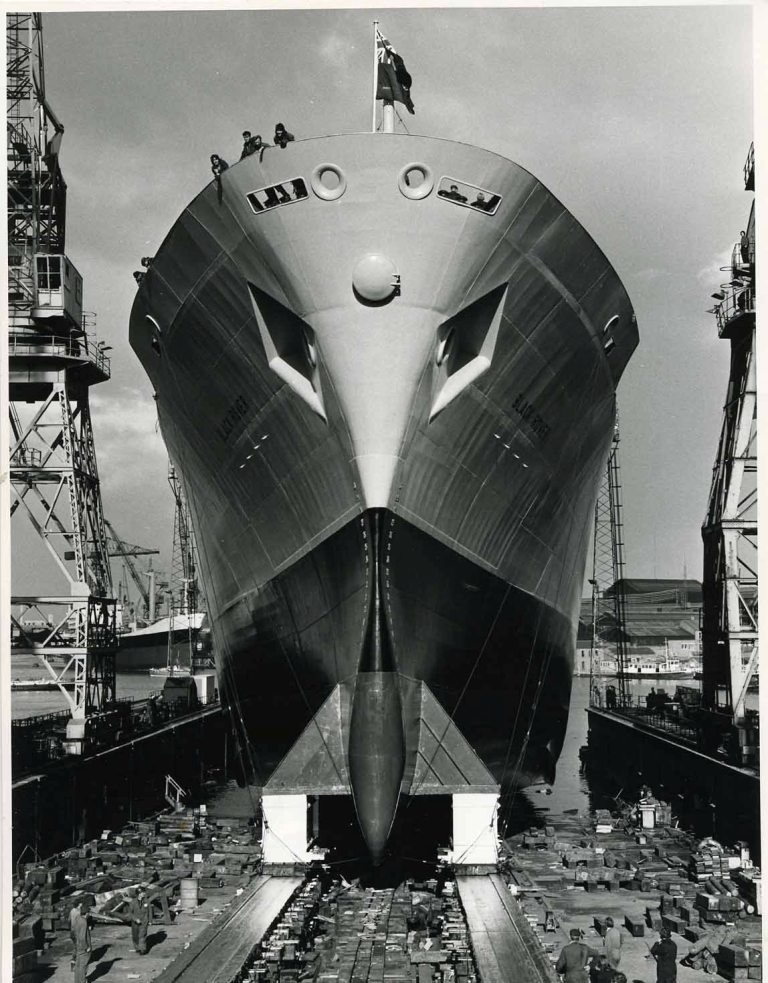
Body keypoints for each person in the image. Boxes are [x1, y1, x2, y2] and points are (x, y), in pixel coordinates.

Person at [71, 900, 92, 983]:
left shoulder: (78, 918)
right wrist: (86, 947)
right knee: (83, 966)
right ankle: (82, 981)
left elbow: (76, 933)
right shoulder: (84, 922)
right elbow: (82, 937)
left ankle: (77, 981)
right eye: (89, 912)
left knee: (78, 965)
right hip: (83, 947)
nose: (89, 914)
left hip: (78, 945)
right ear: (86, 913)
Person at [129, 889, 151, 954]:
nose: (144, 893)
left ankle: (143, 949)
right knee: (135, 936)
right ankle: (137, 948)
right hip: (135, 922)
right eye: (142, 892)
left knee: (142, 935)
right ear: (139, 894)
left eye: (144, 892)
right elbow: (130, 913)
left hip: (144, 920)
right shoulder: (133, 902)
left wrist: (150, 920)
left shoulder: (147, 901)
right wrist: (135, 919)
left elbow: (150, 911)